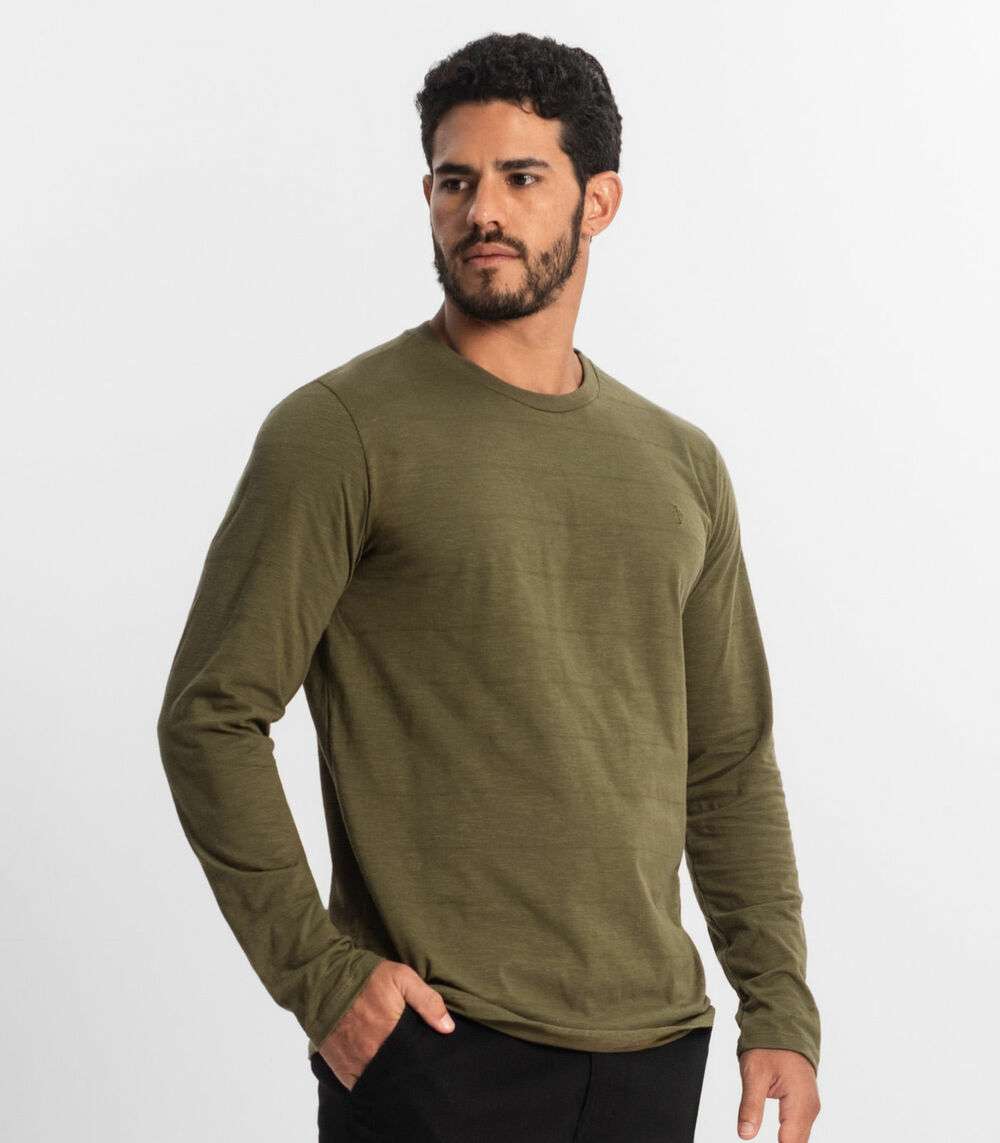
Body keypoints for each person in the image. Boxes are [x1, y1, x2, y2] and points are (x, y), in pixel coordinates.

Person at [157, 30, 822, 1143]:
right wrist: (320, 977)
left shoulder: (680, 464)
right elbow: (210, 715)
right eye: (455, 181)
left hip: (655, 1048)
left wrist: (779, 1007)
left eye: (521, 178)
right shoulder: (340, 432)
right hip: (438, 1046)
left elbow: (727, 761)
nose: (483, 213)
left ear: (598, 201)